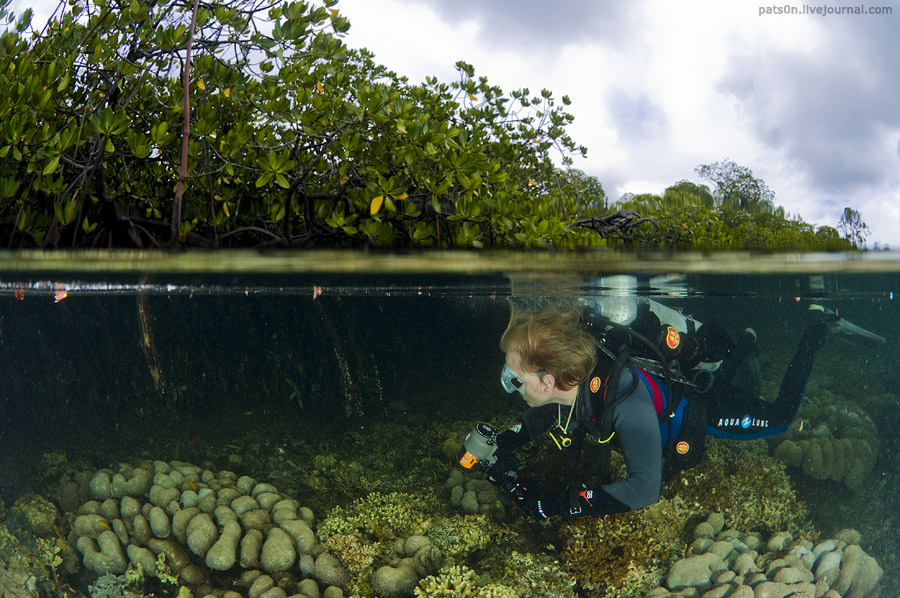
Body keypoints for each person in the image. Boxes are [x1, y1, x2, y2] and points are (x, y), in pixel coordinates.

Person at [481, 302, 883, 521]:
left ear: (548, 381)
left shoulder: (625, 401)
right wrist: (509, 438)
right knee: (728, 371)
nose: (509, 385)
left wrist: (557, 504)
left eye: (514, 377)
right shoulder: (575, 378)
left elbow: (643, 489)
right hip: (680, 378)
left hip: (701, 408)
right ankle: (743, 345)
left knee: (778, 417)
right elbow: (548, 414)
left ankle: (817, 329)